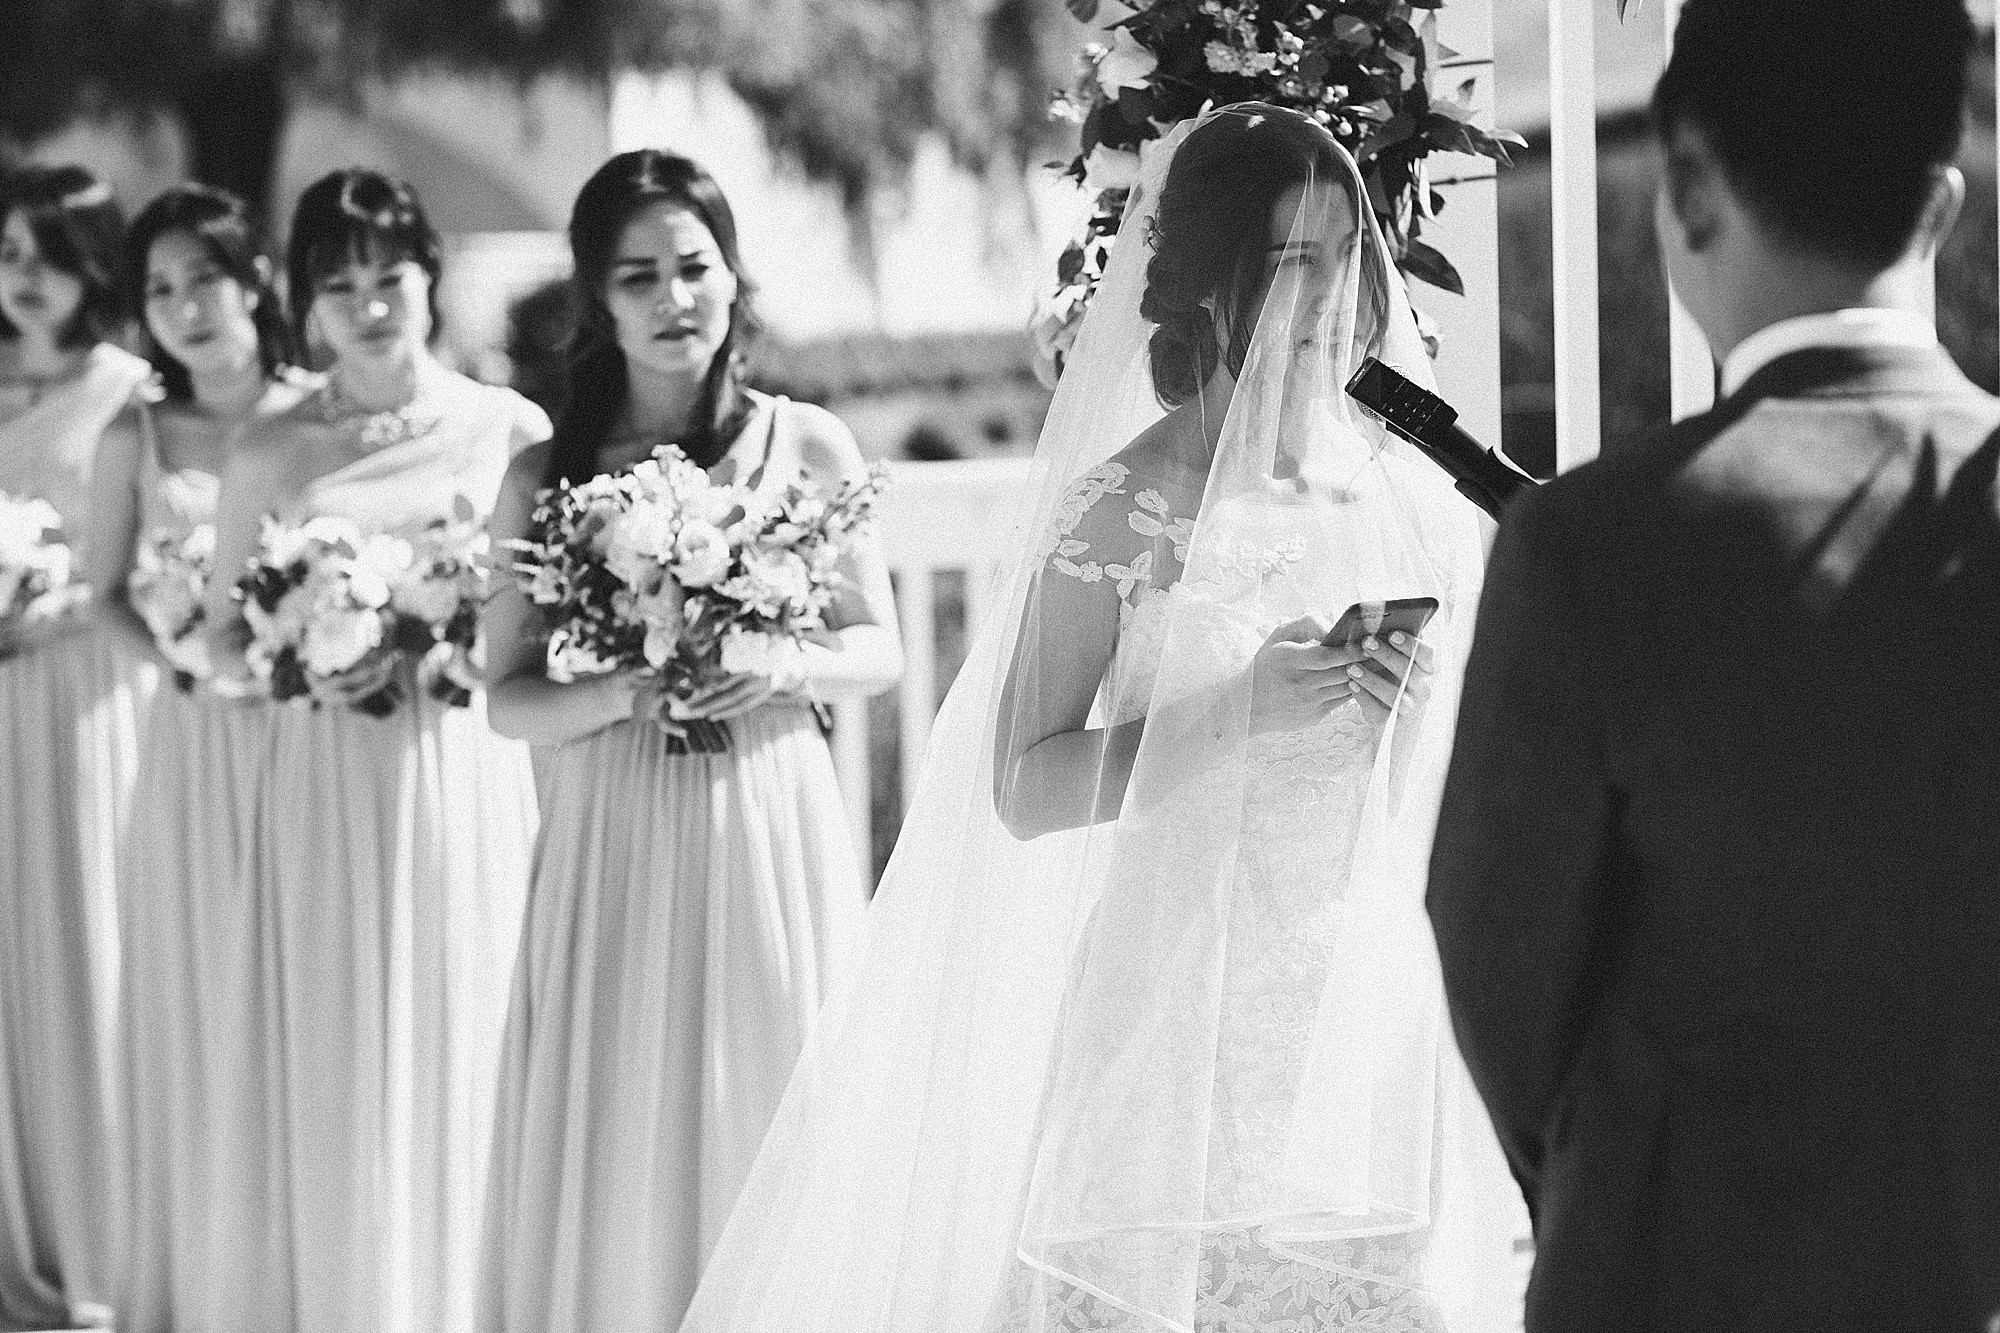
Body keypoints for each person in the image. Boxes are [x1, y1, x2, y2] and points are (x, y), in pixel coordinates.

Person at [682, 105, 1522, 1333]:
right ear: (1213, 283)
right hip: (1171, 1011)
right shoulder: (1123, 507)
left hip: (1353, 1011)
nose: (1335, 296)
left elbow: (1435, 800)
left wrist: (1409, 707)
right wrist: (1233, 712)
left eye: (1348, 255)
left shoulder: (1406, 500)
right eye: (1296, 259)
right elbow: (1022, 785)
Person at [1426, 2, 2000, 1329]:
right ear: (1942, 204)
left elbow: (1497, 955)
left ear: (1686, 188)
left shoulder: (1592, 547)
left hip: (1673, 1272)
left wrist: (1613, 1170)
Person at [476, 149, 902, 1333]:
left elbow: (877, 648)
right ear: (597, 302)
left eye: (693, 267)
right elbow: (505, 696)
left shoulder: (806, 444)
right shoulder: (544, 474)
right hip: (613, 825)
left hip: (765, 811)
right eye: (638, 277)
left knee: (769, 1090)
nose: (673, 299)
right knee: (624, 1103)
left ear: (730, 276)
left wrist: (775, 664)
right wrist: (626, 691)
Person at [199, 168, 548, 1333]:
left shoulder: (508, 428)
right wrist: (300, 654)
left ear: (428, 278)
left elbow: (548, 617)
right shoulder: (269, 447)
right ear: (304, 299)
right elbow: (221, 641)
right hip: (324, 778)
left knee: (472, 1019)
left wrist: (456, 644)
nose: (368, 306)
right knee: (337, 1037)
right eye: (338, 284)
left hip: (460, 768)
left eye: (387, 276)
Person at [89, 182, 315, 1333]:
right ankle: (213, 1269)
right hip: (194, 742)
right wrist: (179, 656)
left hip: (317, 739)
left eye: (203, 278)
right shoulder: (132, 433)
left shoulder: (320, 411)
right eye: (160, 289)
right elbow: (104, 595)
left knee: (308, 985)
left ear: (256, 279)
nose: (184, 306)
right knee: (203, 990)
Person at [0, 162, 153, 1329]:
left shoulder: (132, 392)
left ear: (95, 263)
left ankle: (114, 1228)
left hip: (94, 692)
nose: (25, 276)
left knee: (93, 936)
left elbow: (154, 555)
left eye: (49, 253)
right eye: (9, 253)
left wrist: (49, 600)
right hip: (5, 697)